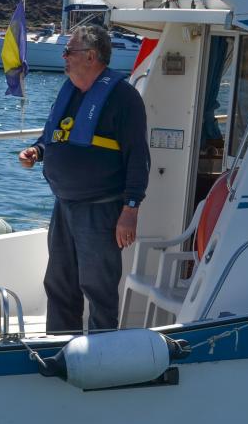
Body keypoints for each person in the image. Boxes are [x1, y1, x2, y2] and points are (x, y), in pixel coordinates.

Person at [18, 24, 150, 333]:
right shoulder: (69, 92)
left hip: (101, 210)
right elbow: (53, 136)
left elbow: (138, 158)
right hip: (64, 206)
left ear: (91, 56)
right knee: (59, 283)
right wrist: (37, 151)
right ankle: (60, 345)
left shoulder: (124, 97)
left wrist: (130, 210)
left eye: (69, 51)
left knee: (98, 288)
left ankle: (102, 352)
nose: (63, 56)